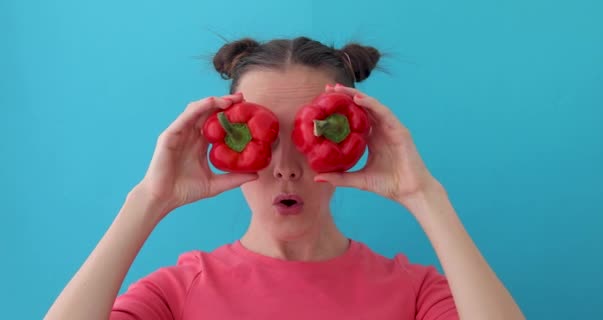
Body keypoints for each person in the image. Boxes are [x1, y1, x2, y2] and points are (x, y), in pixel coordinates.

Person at [45, 36, 525, 319]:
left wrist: (425, 194)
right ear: (222, 143)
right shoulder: (177, 291)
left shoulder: (417, 293)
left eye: (312, 135)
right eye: (262, 135)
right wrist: (148, 199)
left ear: (358, 141)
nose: (286, 166)